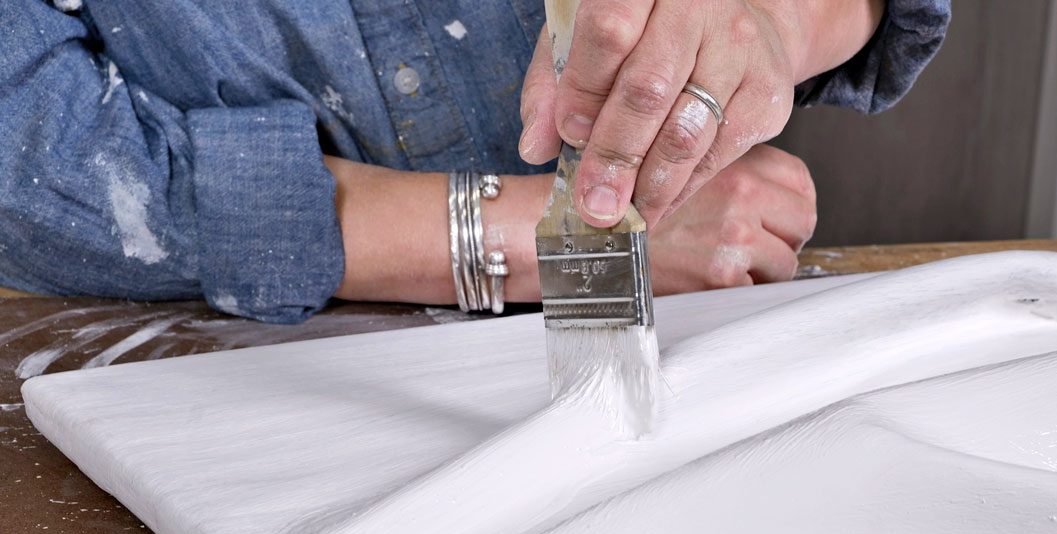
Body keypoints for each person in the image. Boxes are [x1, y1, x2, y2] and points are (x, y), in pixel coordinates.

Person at [0, 1, 949, 324]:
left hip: (695, 293)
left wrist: (760, 30)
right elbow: (50, 167)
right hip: (213, 363)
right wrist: (576, 242)